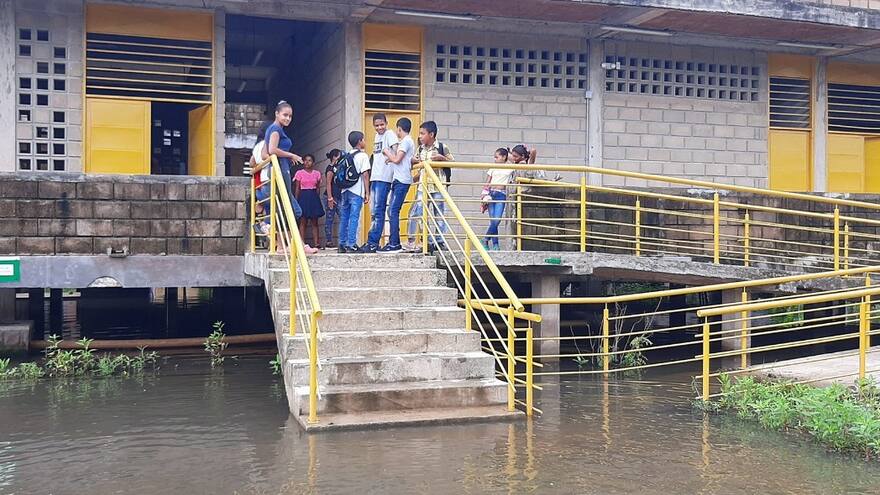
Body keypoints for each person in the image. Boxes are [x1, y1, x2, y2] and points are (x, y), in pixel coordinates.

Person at [405, 120, 453, 252]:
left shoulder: (442, 147)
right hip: (423, 187)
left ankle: (439, 242)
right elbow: (414, 161)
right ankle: (418, 240)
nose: (420, 136)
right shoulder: (420, 149)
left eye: (422, 133)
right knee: (417, 213)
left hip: (438, 186)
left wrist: (442, 159)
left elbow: (452, 162)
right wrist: (413, 161)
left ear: (431, 134)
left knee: (439, 215)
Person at [372, 117, 415, 253]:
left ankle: (394, 243)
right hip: (399, 180)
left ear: (399, 129)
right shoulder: (406, 141)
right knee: (391, 211)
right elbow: (404, 159)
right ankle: (393, 242)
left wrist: (387, 153)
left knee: (393, 211)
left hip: (402, 181)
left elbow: (397, 159)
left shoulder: (406, 141)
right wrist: (390, 159)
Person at [360, 114, 399, 253]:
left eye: (382, 124)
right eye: (376, 125)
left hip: (384, 177)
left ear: (386, 123)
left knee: (378, 210)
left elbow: (397, 151)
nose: (379, 127)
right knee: (374, 211)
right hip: (375, 177)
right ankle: (372, 241)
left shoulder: (390, 134)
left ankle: (373, 242)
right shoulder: (377, 136)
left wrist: (392, 158)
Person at [264, 100, 303, 219]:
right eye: (285, 115)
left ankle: (267, 223)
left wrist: (283, 157)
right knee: (290, 206)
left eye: (290, 116)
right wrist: (290, 155)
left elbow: (264, 154)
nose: (288, 119)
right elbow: (272, 150)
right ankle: (267, 223)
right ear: (277, 114)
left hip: (277, 167)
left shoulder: (271, 129)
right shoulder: (276, 129)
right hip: (280, 167)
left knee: (282, 201)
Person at [338, 131, 371, 253]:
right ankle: (351, 244)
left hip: (344, 190)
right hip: (357, 191)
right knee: (354, 217)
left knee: (344, 217)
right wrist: (367, 193)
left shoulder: (346, 155)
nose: (364, 142)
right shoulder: (363, 156)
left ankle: (342, 244)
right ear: (359, 141)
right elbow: (365, 175)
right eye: (363, 139)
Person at [482, 148, 515, 250]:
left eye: (497, 157)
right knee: (493, 221)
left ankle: (485, 239)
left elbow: (513, 160)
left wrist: (508, 153)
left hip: (501, 194)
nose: (495, 159)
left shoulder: (510, 167)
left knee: (496, 220)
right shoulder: (493, 167)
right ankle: (495, 244)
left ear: (504, 157)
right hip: (491, 194)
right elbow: (487, 182)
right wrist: (484, 194)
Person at [294, 154, 324, 248]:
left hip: (313, 196)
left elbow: (318, 187)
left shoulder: (317, 173)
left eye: (309, 160)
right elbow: (297, 188)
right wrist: (296, 201)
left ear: (313, 163)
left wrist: (317, 199)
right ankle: (302, 243)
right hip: (303, 196)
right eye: (305, 160)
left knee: (315, 221)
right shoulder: (299, 173)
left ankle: (316, 243)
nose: (307, 162)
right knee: (303, 221)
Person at [322, 149, 343, 248]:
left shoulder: (338, 167)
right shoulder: (330, 168)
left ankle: (342, 241)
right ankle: (329, 241)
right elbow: (328, 183)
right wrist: (330, 198)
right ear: (334, 157)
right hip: (330, 196)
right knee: (330, 218)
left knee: (342, 217)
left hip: (338, 196)